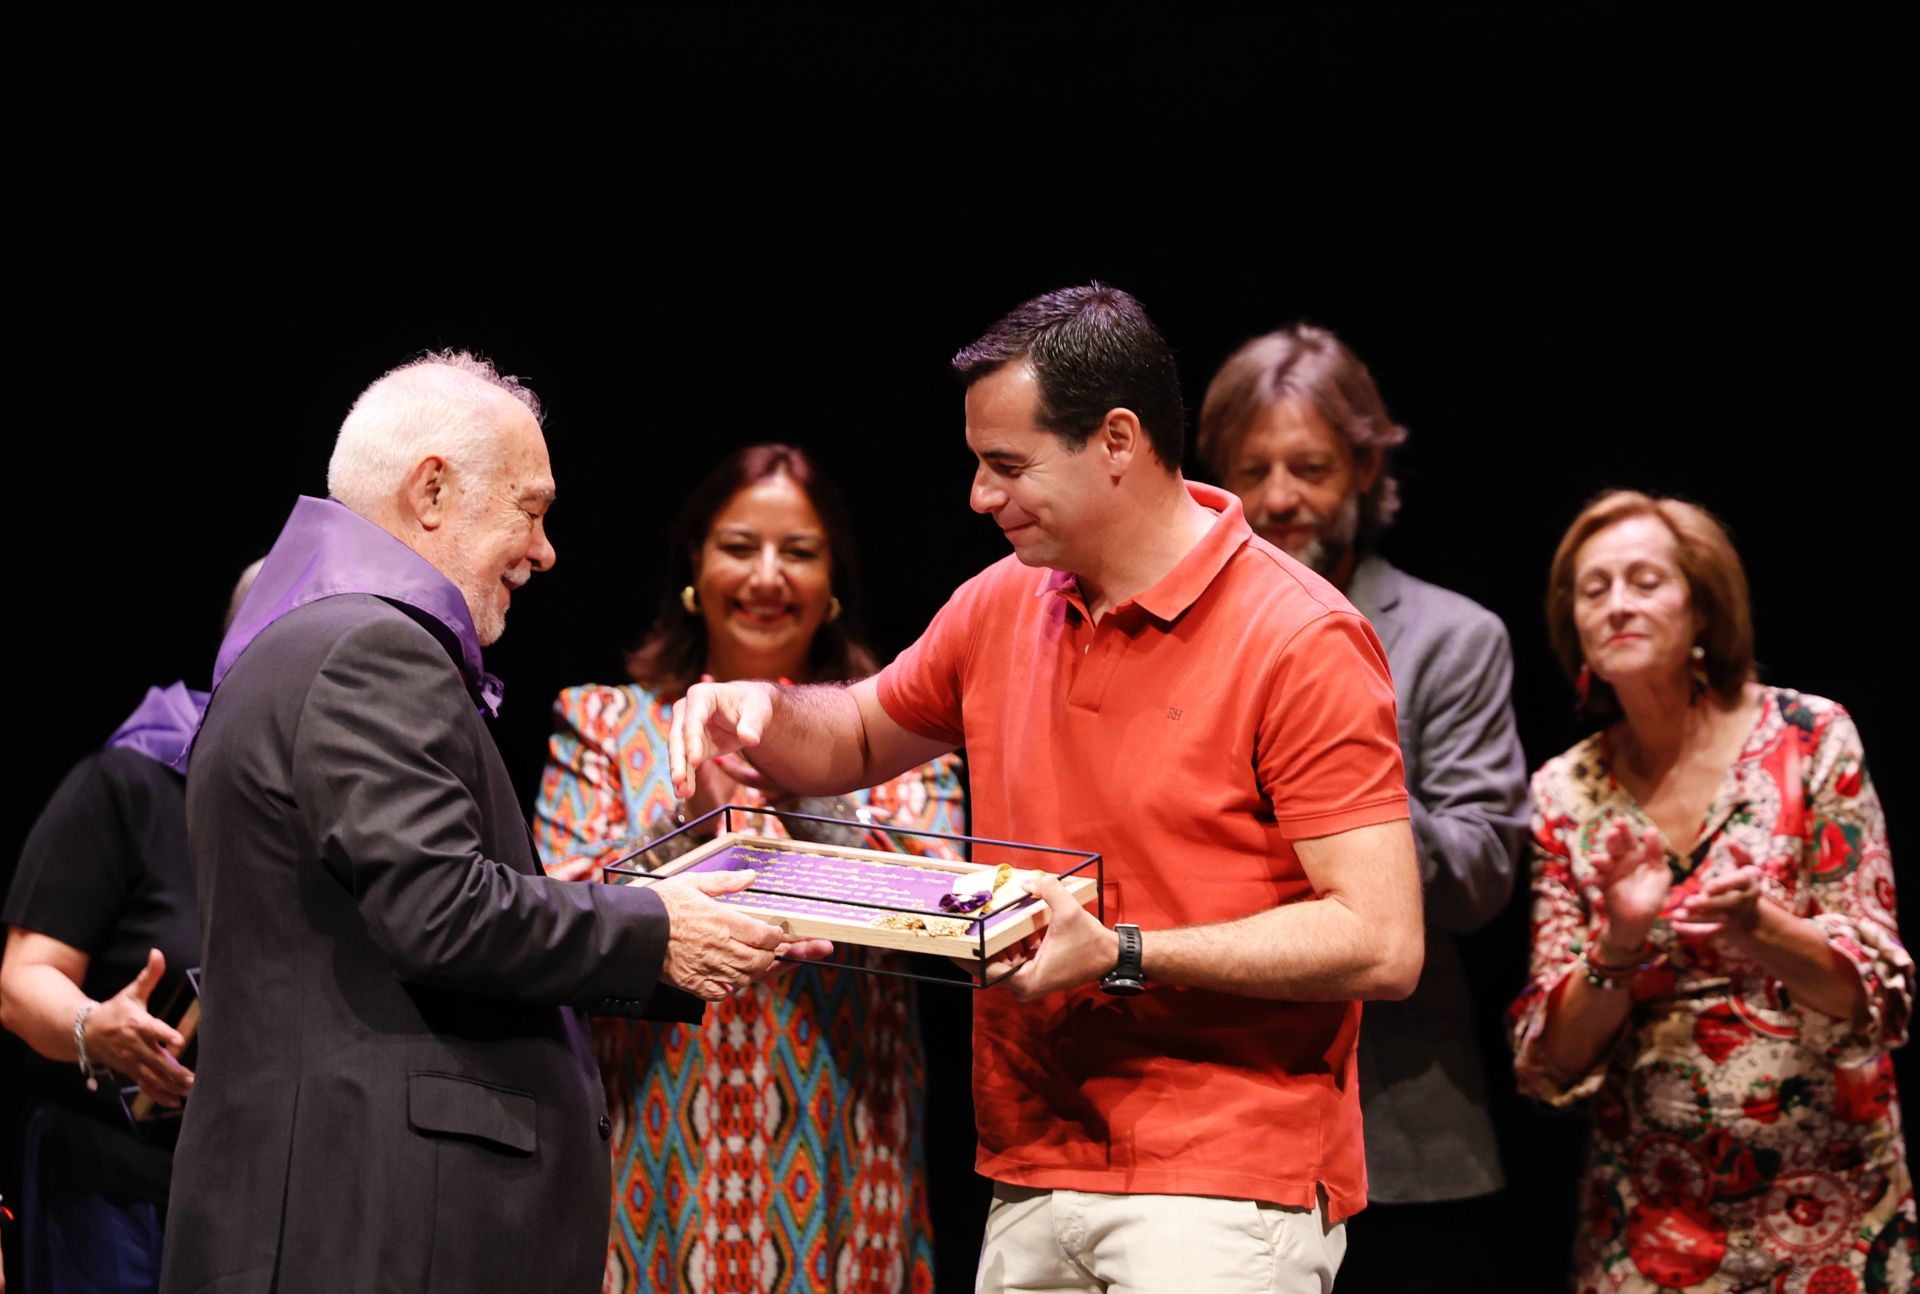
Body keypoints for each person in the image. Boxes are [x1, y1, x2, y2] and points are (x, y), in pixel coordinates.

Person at [671, 286, 1425, 1293]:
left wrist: (1117, 953)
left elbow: (1381, 938)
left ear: (1117, 440)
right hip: (1033, 1165)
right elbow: (852, 732)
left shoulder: (1300, 637)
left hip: (1220, 1180)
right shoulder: (1003, 602)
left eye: (1009, 466)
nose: (982, 496)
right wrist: (758, 709)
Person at [158, 352, 826, 1294]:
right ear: (431, 491)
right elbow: (440, 908)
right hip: (366, 1223)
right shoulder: (369, 645)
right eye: (530, 508)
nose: (546, 550)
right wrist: (658, 929)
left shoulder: (309, 636)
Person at [532, 444, 967, 1292]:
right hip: (651, 1164)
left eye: (798, 552)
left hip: (847, 1171)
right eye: (739, 546)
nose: (767, 576)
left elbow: (946, 906)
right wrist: (687, 821)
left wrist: (812, 786)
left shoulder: (901, 735)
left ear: (833, 578)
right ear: (693, 565)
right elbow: (557, 910)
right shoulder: (604, 721)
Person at [1510, 490, 1914, 1292]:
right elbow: (1550, 1061)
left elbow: (1877, 994)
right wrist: (1617, 944)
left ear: (1702, 610)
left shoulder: (1809, 737)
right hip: (1650, 1220)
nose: (1617, 603)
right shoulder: (1565, 791)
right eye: (1594, 589)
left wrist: (1763, 929)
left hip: (1828, 1203)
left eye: (1644, 580)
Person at [1196, 326, 1525, 1289]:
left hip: (1398, 1134)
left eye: (1311, 466)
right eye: (1252, 468)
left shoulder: (1452, 637)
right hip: (1206, 1117)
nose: (1280, 497)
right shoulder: (1169, 636)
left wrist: (1331, 794)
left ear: (1367, 468)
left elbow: (1478, 875)